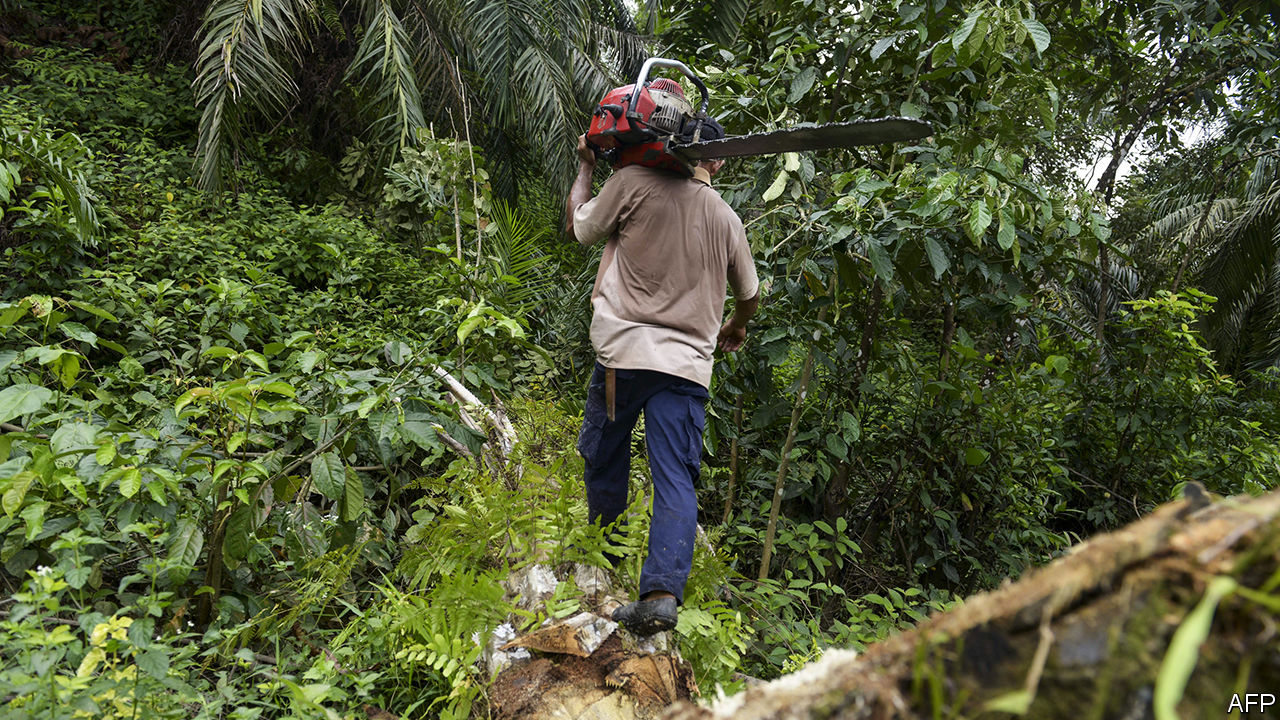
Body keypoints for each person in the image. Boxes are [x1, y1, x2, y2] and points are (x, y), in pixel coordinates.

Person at [564, 117, 759, 636]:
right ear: (717, 161)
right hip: (685, 369)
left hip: (622, 360)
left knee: (606, 457)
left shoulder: (629, 184)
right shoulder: (725, 217)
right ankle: (659, 596)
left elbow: (581, 228)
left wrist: (585, 167)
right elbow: (750, 294)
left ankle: (600, 563)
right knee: (676, 475)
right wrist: (736, 326)